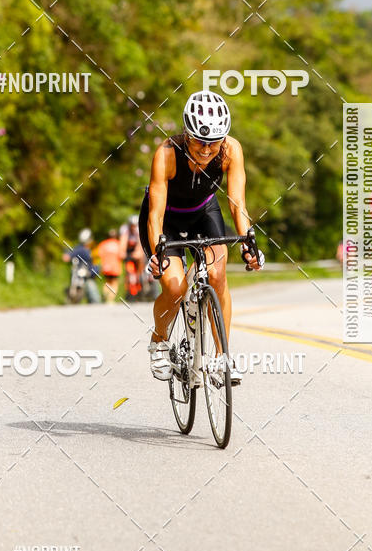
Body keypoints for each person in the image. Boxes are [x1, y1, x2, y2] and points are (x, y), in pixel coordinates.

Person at [138, 90, 262, 383]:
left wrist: (248, 243)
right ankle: (159, 341)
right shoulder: (166, 154)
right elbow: (155, 213)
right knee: (175, 287)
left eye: (214, 142)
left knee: (218, 275)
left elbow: (237, 204)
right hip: (166, 218)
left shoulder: (231, 150)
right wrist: (157, 253)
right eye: (200, 141)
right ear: (187, 133)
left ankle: (221, 359)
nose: (207, 149)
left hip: (203, 212)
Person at [62, 228, 101, 303]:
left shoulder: (93, 249)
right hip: (79, 273)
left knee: (93, 294)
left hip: (89, 274)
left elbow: (96, 263)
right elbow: (68, 256)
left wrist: (91, 272)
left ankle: (94, 304)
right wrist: (67, 255)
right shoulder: (79, 249)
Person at [119, 214, 145, 300]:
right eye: (132, 226)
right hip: (128, 250)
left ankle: (140, 276)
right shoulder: (125, 229)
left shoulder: (138, 229)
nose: (133, 227)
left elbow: (140, 243)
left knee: (140, 258)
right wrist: (122, 252)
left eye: (134, 226)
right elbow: (123, 241)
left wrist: (138, 252)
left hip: (138, 248)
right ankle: (128, 285)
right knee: (128, 268)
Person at [96, 229, 122, 303]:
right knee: (114, 283)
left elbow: (99, 254)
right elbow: (122, 255)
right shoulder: (118, 244)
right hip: (115, 267)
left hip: (106, 267)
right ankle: (110, 299)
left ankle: (105, 294)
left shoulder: (103, 244)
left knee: (107, 282)